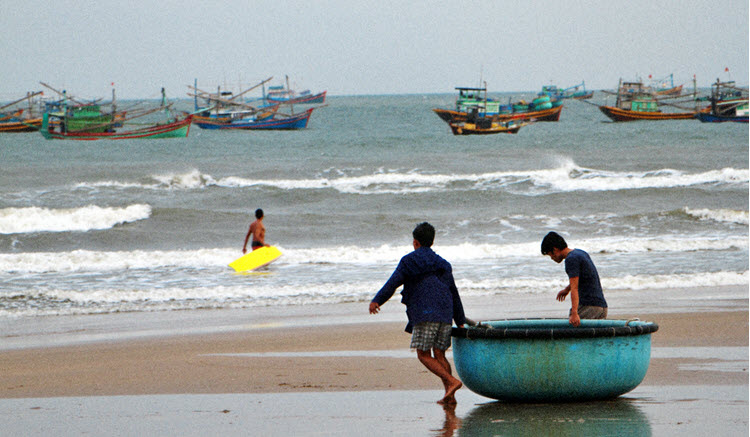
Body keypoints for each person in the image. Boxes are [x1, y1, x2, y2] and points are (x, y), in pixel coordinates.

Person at [369, 222, 466, 404]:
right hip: (445, 313)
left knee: (423, 354)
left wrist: (377, 301)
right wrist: (459, 319)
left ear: (415, 242)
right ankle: (449, 395)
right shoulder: (443, 263)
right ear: (432, 242)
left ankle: (452, 382)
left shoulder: (409, 261)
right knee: (439, 354)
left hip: (425, 312)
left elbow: (393, 283)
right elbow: (453, 292)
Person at [541, 231, 608, 327]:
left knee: (571, 329)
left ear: (555, 249)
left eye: (551, 255)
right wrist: (566, 290)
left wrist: (574, 313)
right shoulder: (580, 253)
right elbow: (583, 278)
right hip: (601, 306)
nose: (552, 258)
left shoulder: (571, 260)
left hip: (588, 306)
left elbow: (575, 288)